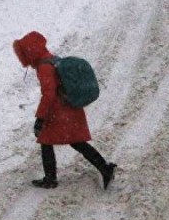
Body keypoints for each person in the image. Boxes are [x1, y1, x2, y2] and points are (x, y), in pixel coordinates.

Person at [13, 31, 117, 189]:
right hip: (69, 109)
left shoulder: (44, 67)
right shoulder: (52, 60)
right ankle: (104, 168)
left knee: (48, 141)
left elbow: (48, 95)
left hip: (59, 112)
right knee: (75, 142)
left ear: (30, 52)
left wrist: (40, 118)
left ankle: (51, 178)